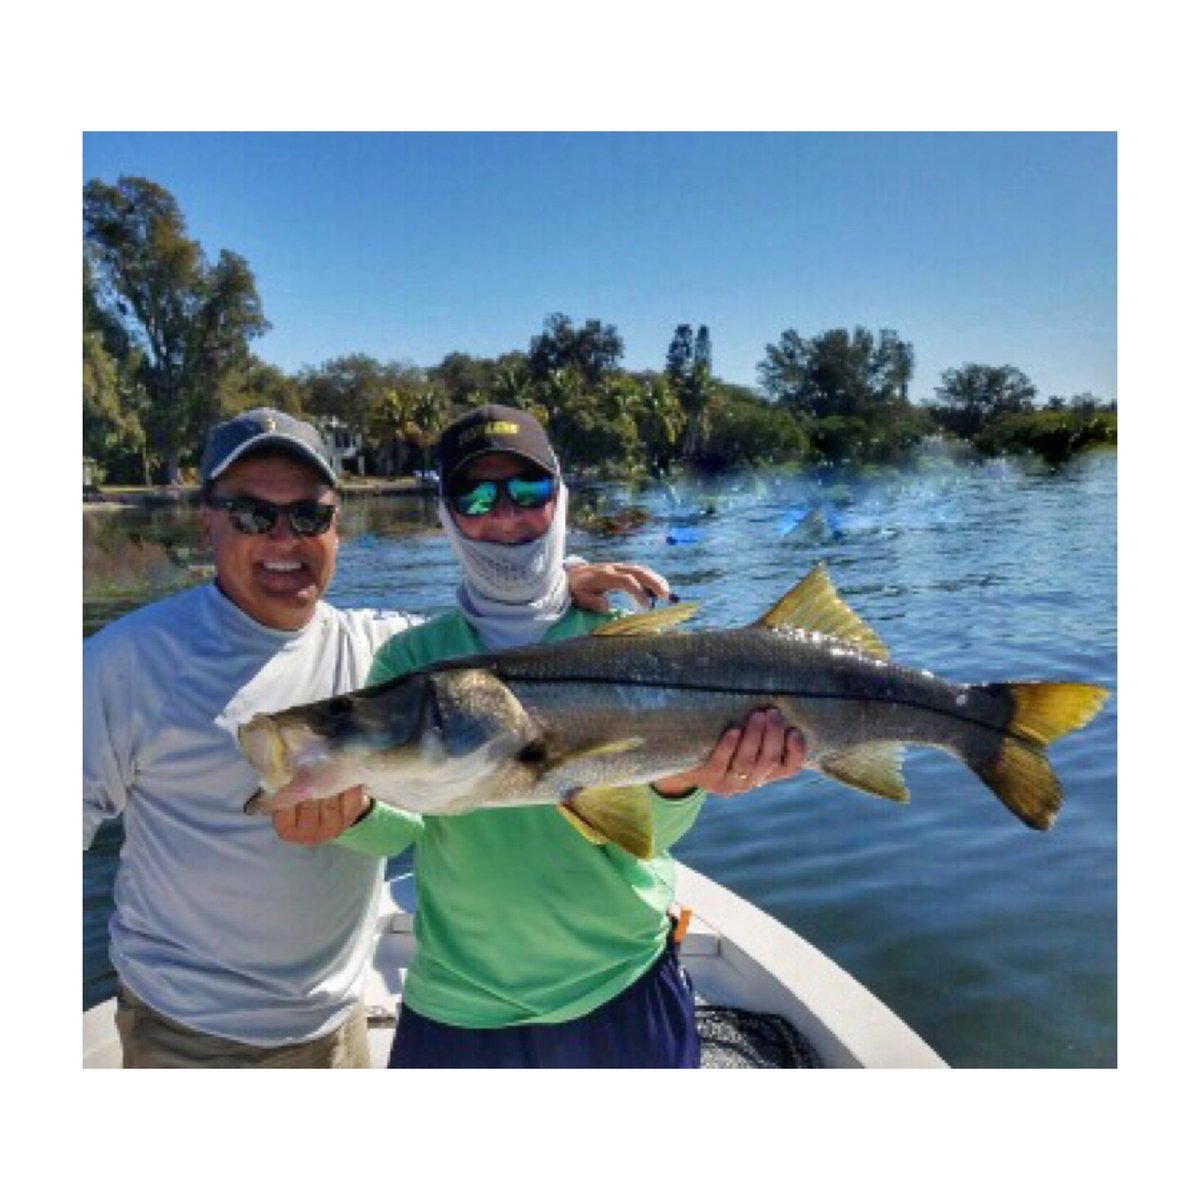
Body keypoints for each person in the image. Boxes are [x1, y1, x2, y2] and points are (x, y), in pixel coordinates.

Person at [83, 407, 668, 1068]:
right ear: (207, 520)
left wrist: (561, 581)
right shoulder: (126, 660)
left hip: (339, 1021)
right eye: (251, 514)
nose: (284, 538)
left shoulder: (382, 649)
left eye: (309, 515)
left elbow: (498, 660)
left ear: (337, 525)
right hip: (187, 1032)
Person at [312, 404, 806, 1068]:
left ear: (560, 498)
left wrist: (684, 780)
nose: (506, 516)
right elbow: (405, 829)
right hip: (460, 999)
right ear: (448, 516)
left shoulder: (622, 640)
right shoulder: (412, 662)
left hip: (622, 982)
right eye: (476, 497)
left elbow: (650, 834)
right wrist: (348, 814)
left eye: (529, 491)